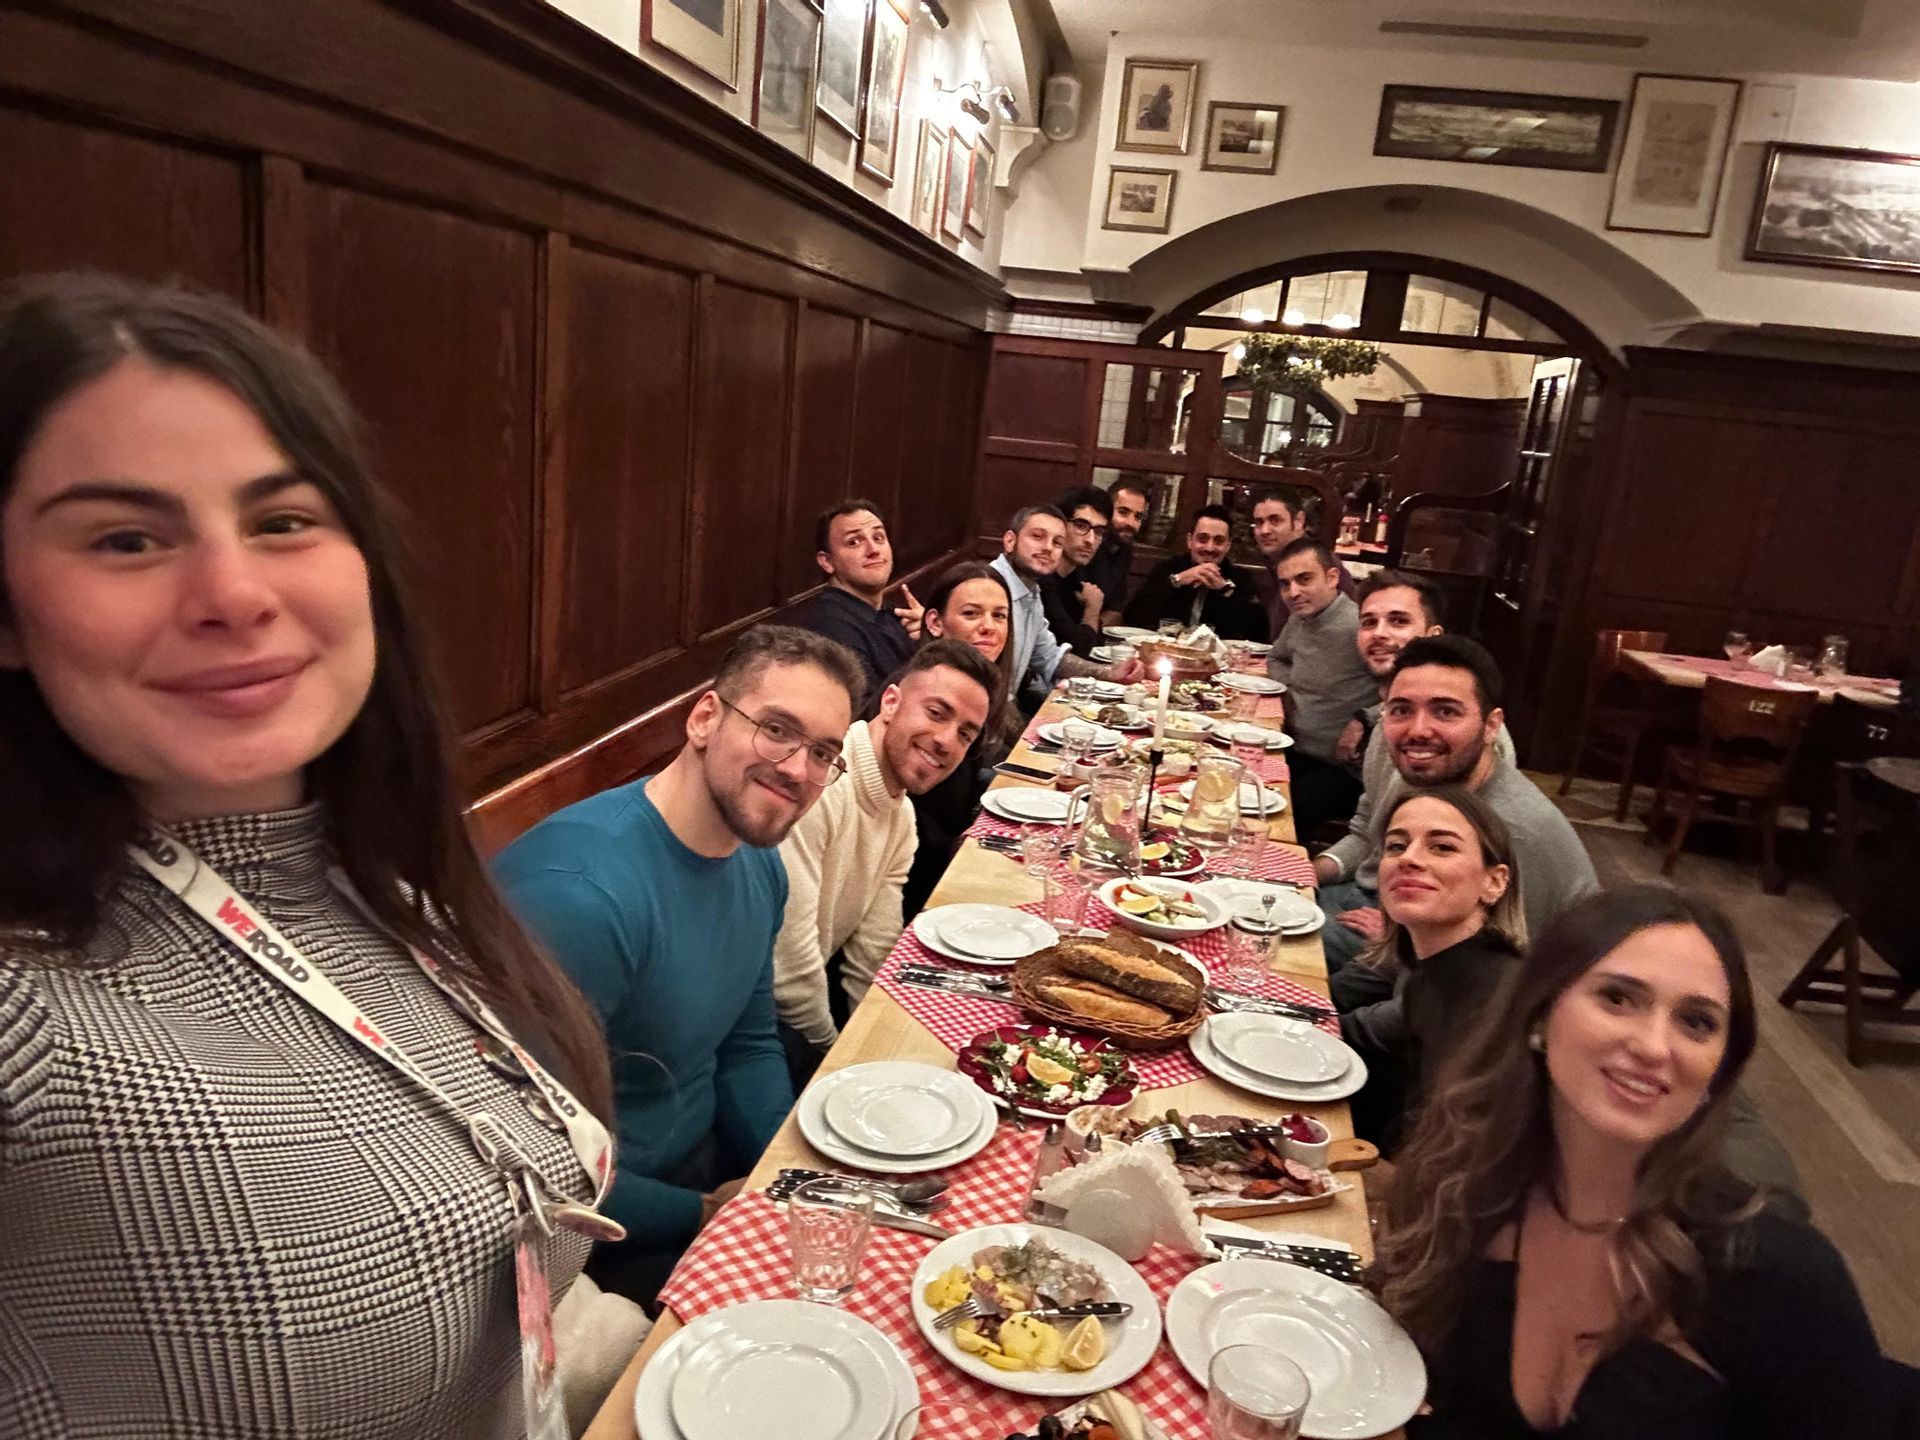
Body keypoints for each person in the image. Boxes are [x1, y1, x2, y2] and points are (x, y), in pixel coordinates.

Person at [0, 273, 617, 1438]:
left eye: (283, 521)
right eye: (125, 539)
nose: (233, 592)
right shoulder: (27, 1010)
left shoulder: (385, 882)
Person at [1376, 886, 1918, 1438]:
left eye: (1697, 1022)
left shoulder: (1772, 1274)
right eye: (1618, 998)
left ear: (1718, 1074)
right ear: (1538, 1015)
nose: (1655, 1047)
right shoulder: (1468, 1193)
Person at [494, 624, 863, 1307]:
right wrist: (700, 1213)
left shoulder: (760, 862)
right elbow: (527, 1164)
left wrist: (779, 1182)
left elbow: (748, 1043)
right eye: (776, 729)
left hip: (703, 1163)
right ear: (704, 718)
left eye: (822, 752)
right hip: (594, 1239)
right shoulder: (578, 896)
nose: (797, 770)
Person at [1319, 635, 1594, 996]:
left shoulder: (1511, 831)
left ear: (1491, 726)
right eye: (1401, 710)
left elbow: (1479, 996)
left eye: (1445, 711)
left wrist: (1334, 1021)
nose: (1418, 730)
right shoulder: (1443, 787)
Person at [772, 639, 995, 1081]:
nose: (947, 741)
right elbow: (789, 973)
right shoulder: (822, 785)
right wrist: (839, 1062)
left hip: (805, 1013)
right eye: (937, 713)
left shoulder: (900, 816)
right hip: (757, 1025)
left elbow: (872, 957)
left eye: (966, 734)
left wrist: (879, 1058)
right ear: (891, 702)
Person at [1339, 787, 1525, 1152]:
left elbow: (1459, 1159)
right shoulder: (1438, 970)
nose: (1409, 859)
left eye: (1442, 847)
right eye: (1396, 846)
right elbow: (1360, 1032)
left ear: (1494, 882)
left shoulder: (1490, 998)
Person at [902, 563, 1022, 918]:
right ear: (935, 623)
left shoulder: (981, 695)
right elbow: (908, 817)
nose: (988, 626)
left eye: (999, 616)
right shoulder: (915, 693)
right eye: (971, 614)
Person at [1265, 536, 1379, 835]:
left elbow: (1406, 688)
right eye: (1285, 584)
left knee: (1276, 817)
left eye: (1304, 579)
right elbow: (1276, 658)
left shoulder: (1361, 627)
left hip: (1339, 770)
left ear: (1332, 577)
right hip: (1295, 749)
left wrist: (1365, 718)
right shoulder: (1300, 619)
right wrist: (1289, 688)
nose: (1293, 592)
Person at [991, 504, 1142, 706]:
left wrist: (1110, 673)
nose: (1048, 548)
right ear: (1010, 541)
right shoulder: (988, 589)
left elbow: (1051, 658)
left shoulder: (1031, 591)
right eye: (1037, 536)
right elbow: (985, 693)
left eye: (1057, 543)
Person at [795, 499, 918, 699]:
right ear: (827, 562)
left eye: (878, 537)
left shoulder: (893, 615)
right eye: (854, 542)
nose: (873, 550)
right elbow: (870, 714)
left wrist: (932, 638)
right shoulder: (831, 626)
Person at [1121, 503, 1267, 639]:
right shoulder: (1166, 569)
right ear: (1190, 541)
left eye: (1219, 541)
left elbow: (1258, 634)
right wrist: (1177, 581)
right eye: (1202, 539)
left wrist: (1225, 590)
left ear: (1228, 545)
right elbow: (1132, 617)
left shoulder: (1241, 579)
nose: (1209, 548)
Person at [1250, 489, 1355, 636]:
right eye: (1259, 522)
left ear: (1299, 521)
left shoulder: (1320, 563)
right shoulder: (1266, 563)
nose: (1264, 530)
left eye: (1275, 520)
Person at [1040, 485, 1112, 657]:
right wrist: (1092, 609)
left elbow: (1097, 644)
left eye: (1099, 532)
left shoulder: (1077, 577)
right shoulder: (1041, 578)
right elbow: (1077, 648)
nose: (1091, 540)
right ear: (1060, 526)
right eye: (1081, 526)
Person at [1086, 476, 1148, 623]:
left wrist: (1098, 622)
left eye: (1138, 516)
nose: (1131, 523)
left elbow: (1116, 610)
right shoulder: (1087, 545)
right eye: (1123, 512)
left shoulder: (1124, 550)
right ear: (1106, 511)